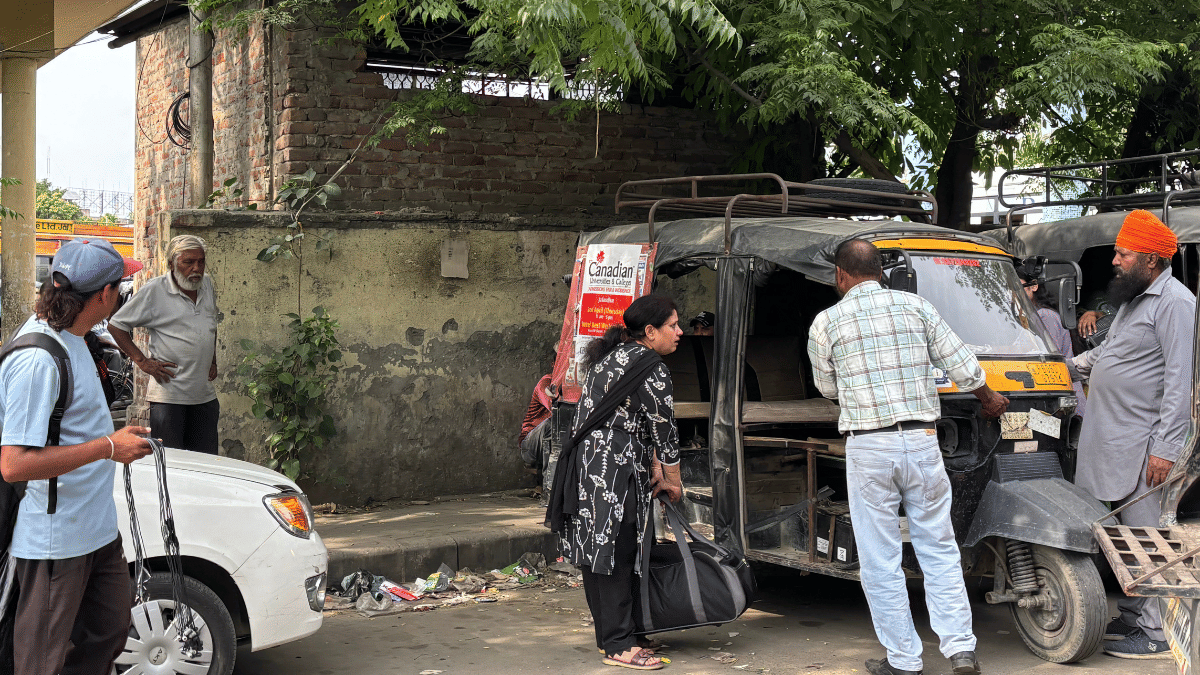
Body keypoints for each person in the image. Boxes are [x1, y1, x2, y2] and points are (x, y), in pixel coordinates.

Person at [807, 239, 1009, 675]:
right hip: (921, 440)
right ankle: (960, 650)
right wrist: (988, 397)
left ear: (841, 276)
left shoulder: (826, 322)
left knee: (880, 557)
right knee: (938, 546)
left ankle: (903, 660)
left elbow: (827, 389)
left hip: (869, 445)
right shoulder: (917, 307)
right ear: (881, 271)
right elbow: (963, 365)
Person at [0, 238, 154, 674]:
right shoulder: (38, 357)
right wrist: (109, 447)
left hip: (96, 532)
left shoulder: (77, 339)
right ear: (105, 295)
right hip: (54, 541)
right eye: (121, 287)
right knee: (41, 661)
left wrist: (114, 441)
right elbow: (14, 464)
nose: (121, 296)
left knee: (106, 633)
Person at [1068, 209, 1194, 659]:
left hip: (1145, 447)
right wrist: (1060, 368)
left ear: (1152, 261)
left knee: (1149, 538)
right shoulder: (1134, 300)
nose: (1116, 261)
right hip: (1114, 439)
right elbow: (1105, 355)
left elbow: (1181, 383)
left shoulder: (1176, 303)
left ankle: (1159, 633)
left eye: (1124, 254)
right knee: (1126, 536)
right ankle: (1140, 611)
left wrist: (1165, 450)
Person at [549, 294, 684, 671]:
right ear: (650, 331)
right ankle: (619, 644)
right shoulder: (651, 366)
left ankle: (616, 634)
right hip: (614, 467)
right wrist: (673, 480)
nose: (680, 332)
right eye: (673, 325)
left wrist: (653, 465)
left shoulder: (612, 358)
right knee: (616, 550)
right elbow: (665, 430)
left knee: (602, 548)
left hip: (590, 464)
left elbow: (639, 420)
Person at [110, 235, 220, 454]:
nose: (196, 268)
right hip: (169, 399)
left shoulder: (207, 284)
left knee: (206, 466)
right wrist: (142, 362)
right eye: (188, 262)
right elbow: (116, 325)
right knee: (170, 464)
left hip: (204, 396)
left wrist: (213, 359)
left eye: (201, 261)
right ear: (172, 264)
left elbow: (210, 324)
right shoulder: (156, 290)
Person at [1019, 276, 1087, 418]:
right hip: (1051, 399)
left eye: (1019, 286)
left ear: (1034, 286)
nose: (1014, 293)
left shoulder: (1045, 316)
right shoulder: (1030, 317)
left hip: (1060, 402)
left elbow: (1047, 361)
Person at [519, 373, 553, 468]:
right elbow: (553, 407)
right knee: (551, 423)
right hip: (529, 447)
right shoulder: (546, 382)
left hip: (544, 446)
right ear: (553, 364)